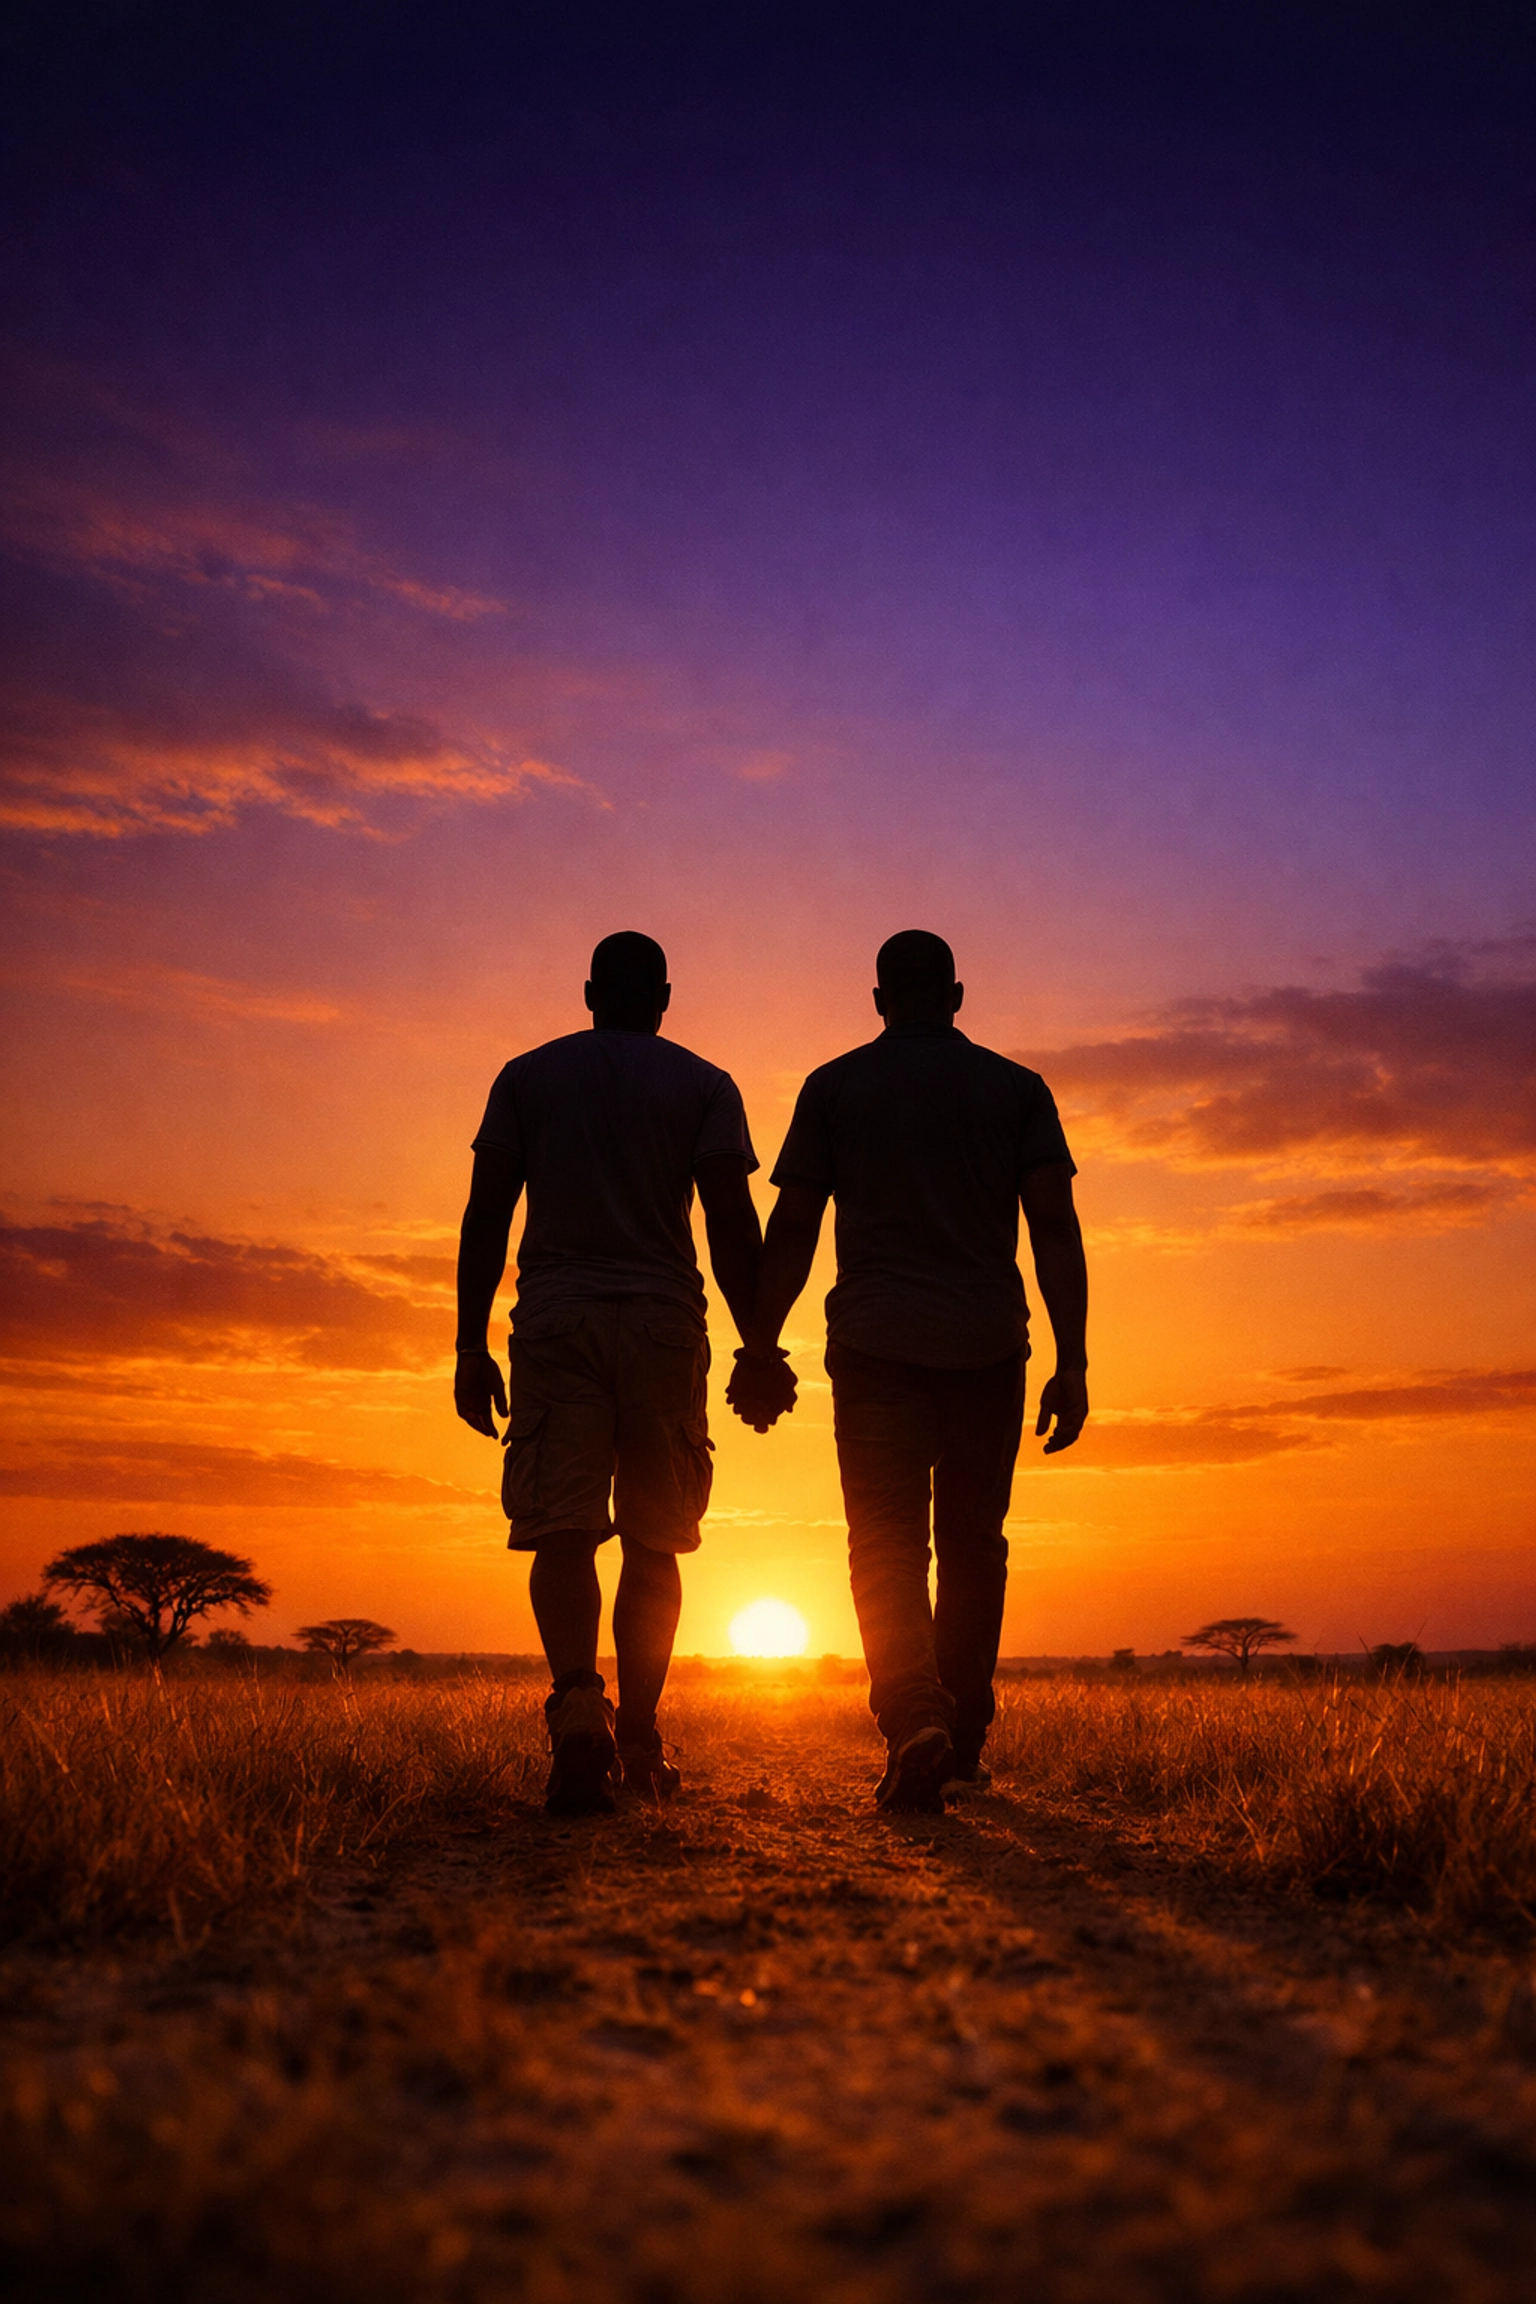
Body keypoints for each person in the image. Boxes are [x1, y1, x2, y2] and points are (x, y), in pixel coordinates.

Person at [727, 931, 1088, 1814]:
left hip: (878, 1348)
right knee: (975, 1550)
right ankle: (960, 1743)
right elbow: (1054, 1229)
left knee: (885, 1542)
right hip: (988, 1349)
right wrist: (1073, 1360)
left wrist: (762, 1344)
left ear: (879, 998)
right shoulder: (1017, 1089)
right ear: (957, 996)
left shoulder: (836, 1086)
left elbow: (797, 1226)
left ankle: (917, 1716)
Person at [454, 932, 789, 1815]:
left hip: (554, 1321)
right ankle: (637, 1741)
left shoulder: (526, 1077)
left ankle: (574, 1704)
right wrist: (757, 1345)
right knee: (656, 1539)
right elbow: (730, 1224)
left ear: (590, 990)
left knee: (560, 1528)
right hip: (661, 1324)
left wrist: (467, 1344)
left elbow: (486, 1217)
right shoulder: (705, 1085)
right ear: (666, 996)